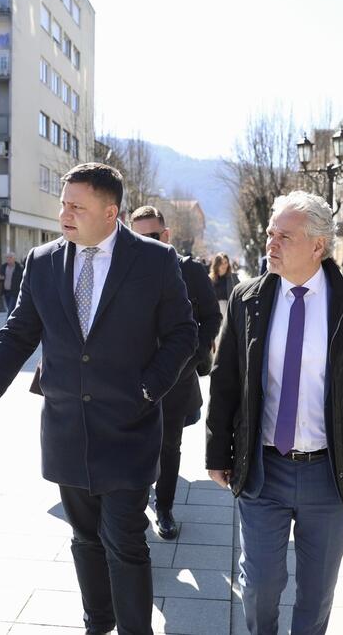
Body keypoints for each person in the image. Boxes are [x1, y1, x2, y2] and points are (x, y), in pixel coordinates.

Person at [0, 162, 197, 635]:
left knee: (125, 539)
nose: (63, 214)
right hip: (67, 428)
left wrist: (148, 389)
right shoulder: (43, 260)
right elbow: (18, 333)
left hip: (129, 427)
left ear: (111, 212)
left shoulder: (153, 261)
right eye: (63, 203)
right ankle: (98, 623)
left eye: (76, 206)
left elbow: (183, 334)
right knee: (85, 538)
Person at [206, 191, 343, 635]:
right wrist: (217, 451)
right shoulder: (248, 299)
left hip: (330, 472)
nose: (271, 244)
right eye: (269, 234)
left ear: (318, 246)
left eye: (284, 236)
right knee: (258, 585)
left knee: (316, 594)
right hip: (263, 469)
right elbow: (225, 382)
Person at [129, 205, 222, 540]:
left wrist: (191, 356)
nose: (146, 244)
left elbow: (212, 318)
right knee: (132, 445)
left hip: (175, 379)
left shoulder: (189, 271)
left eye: (152, 236)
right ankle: (133, 508)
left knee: (169, 446)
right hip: (131, 378)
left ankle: (165, 508)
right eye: (137, 237)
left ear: (165, 236)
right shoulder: (122, 270)